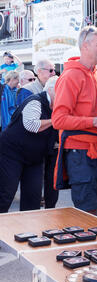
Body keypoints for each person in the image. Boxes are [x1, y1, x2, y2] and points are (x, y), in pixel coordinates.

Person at [52, 25, 97, 221]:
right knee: (87, 213)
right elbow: (58, 119)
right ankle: (90, 250)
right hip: (81, 153)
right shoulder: (71, 76)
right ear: (85, 46)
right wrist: (95, 122)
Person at [0, 76, 58, 213]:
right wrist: (54, 120)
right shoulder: (35, 101)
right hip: (12, 153)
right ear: (51, 90)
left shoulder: (56, 107)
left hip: (35, 157)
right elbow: (31, 125)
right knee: (5, 194)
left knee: (33, 198)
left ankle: (28, 233)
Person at [16, 59, 58, 209]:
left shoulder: (55, 87)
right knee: (34, 185)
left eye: (54, 70)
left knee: (52, 182)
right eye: (51, 70)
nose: (53, 72)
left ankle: (49, 210)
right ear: (39, 71)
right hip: (34, 145)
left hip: (52, 144)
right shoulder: (28, 90)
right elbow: (27, 122)